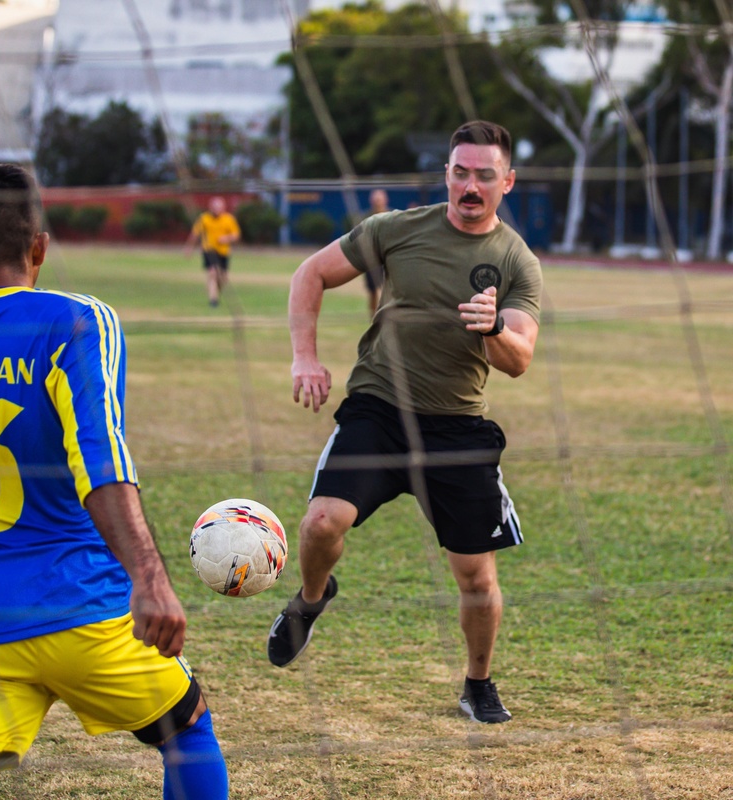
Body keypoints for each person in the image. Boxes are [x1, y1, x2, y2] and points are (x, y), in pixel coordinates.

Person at [0, 164, 229, 800]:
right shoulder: (76, 320)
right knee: (189, 729)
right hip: (85, 613)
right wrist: (150, 578)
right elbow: (99, 461)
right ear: (39, 247)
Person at [267, 121, 542, 725]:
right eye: (461, 172)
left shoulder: (517, 262)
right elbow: (310, 274)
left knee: (475, 574)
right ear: (446, 173)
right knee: (320, 523)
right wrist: (304, 356)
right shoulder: (397, 229)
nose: (471, 186)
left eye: (484, 176)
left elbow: (519, 359)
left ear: (508, 182)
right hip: (379, 411)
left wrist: (493, 329)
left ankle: (478, 684)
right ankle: (311, 601)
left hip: (457, 426)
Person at [185, 196, 241, 307]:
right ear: (210, 207)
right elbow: (195, 234)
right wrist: (189, 248)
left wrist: (226, 238)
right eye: (215, 207)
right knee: (212, 272)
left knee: (222, 278)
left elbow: (236, 235)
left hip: (223, 251)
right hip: (209, 250)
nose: (217, 210)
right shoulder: (204, 218)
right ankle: (213, 300)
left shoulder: (228, 219)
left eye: (219, 207)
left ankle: (215, 292)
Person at [362, 189, 390, 318]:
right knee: (372, 291)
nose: (377, 202)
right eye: (375, 199)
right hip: (372, 260)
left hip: (388, 259)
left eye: (380, 199)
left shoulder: (393, 217)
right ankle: (373, 318)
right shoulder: (366, 218)